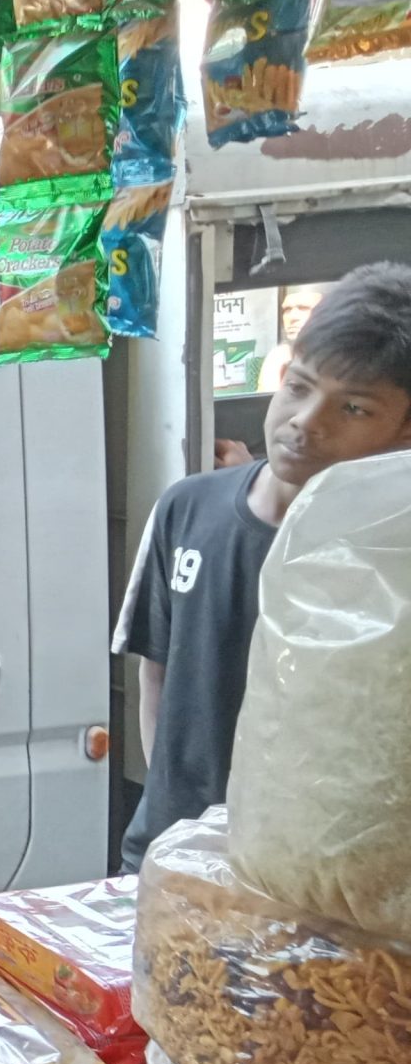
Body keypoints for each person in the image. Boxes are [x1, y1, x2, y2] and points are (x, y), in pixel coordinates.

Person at [114, 263, 411, 868]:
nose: (306, 422)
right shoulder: (186, 508)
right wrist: (179, 819)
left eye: (353, 409)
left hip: (315, 880)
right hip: (171, 859)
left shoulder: (390, 557)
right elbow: (157, 675)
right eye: (299, 387)